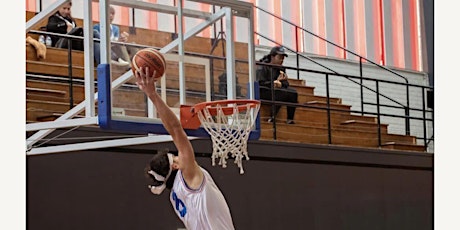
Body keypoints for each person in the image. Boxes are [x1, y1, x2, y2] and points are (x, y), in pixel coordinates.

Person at [135, 67, 235, 230]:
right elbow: (175, 129)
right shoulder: (188, 174)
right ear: (175, 166)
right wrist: (152, 94)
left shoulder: (175, 197)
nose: (180, 155)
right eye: (176, 156)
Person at [256, 46, 298, 124]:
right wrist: (274, 83)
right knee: (280, 93)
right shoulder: (263, 66)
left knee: (293, 93)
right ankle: (272, 117)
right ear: (272, 57)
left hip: (276, 90)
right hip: (264, 91)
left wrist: (282, 81)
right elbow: (260, 83)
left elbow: (286, 84)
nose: (281, 60)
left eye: (283, 58)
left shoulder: (281, 69)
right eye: (279, 57)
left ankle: (290, 119)